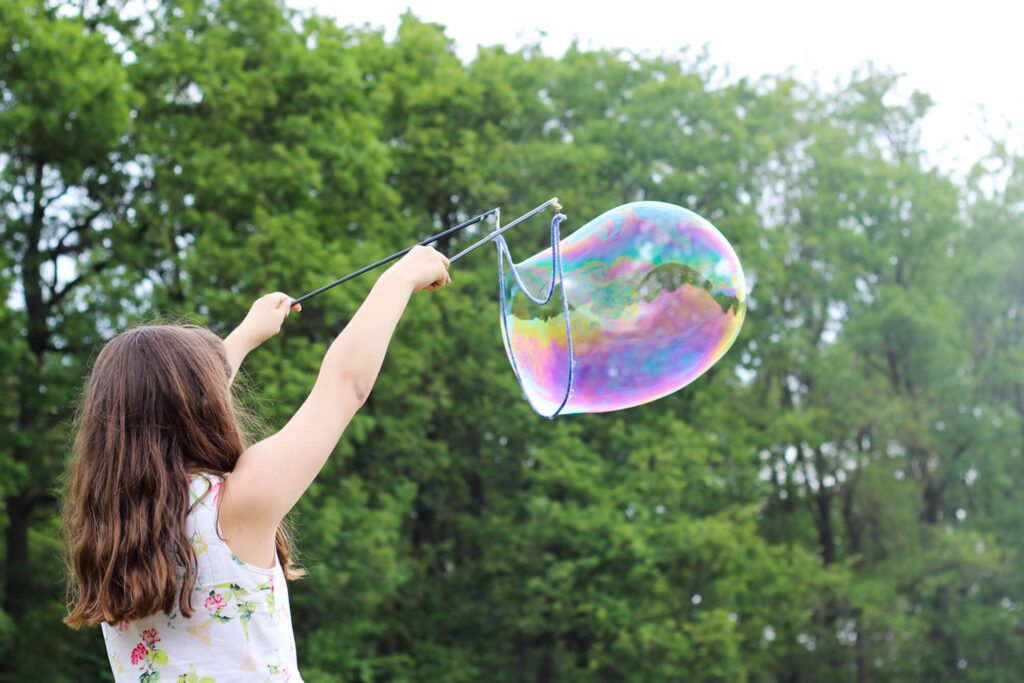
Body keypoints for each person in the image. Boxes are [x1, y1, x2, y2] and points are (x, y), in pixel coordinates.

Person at [62, 245, 452, 682]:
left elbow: (169, 407)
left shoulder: (110, 535)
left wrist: (246, 334)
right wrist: (399, 278)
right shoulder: (234, 505)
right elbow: (346, 384)